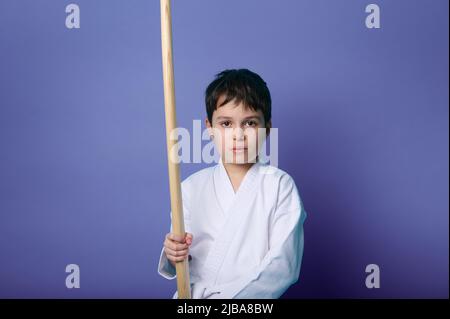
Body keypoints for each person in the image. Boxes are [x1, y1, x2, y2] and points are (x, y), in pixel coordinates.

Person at [158, 69, 307, 298]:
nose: (238, 135)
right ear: (209, 128)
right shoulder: (189, 189)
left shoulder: (279, 187)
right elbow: (182, 262)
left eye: (249, 123)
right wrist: (173, 253)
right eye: (226, 124)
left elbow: (283, 267)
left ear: (267, 127)